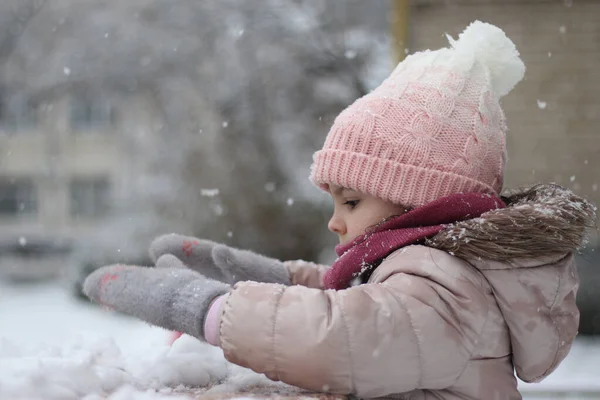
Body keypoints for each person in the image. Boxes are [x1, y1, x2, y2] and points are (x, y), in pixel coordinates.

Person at [83, 21, 596, 399]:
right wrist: (268, 276)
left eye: (351, 201)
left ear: (421, 203)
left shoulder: (447, 294)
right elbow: (363, 306)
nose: (335, 220)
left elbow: (338, 337)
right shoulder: (445, 277)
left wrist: (203, 307)